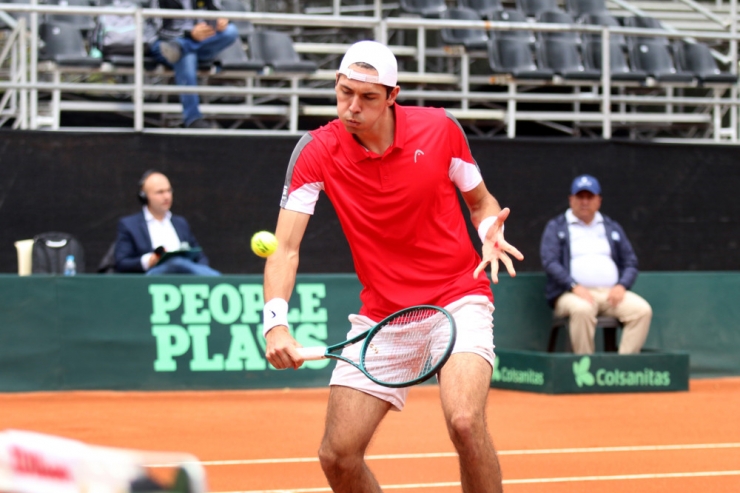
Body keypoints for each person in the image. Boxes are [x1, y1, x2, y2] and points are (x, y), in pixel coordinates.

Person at [261, 40, 523, 493]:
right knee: (337, 455)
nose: (352, 107)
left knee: (464, 421)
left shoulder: (440, 129)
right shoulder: (316, 152)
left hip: (458, 297)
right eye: (345, 93)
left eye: (367, 97)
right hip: (384, 316)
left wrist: (487, 232)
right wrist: (275, 325)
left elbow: (481, 203)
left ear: (392, 96)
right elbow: (285, 248)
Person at [540, 174, 652, 354]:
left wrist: (622, 286)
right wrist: (573, 286)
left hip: (610, 295)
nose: (585, 202)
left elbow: (631, 262)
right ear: (571, 199)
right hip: (571, 294)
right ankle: (589, 371)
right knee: (582, 310)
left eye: (589, 197)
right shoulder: (556, 227)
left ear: (598, 200)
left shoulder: (611, 226)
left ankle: (621, 371)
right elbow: (550, 262)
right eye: (580, 197)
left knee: (642, 310)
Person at [145, 0, 238, 129]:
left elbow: (217, 12)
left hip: (200, 43)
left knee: (231, 31)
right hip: (165, 44)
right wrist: (190, 34)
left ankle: (182, 46)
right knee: (186, 56)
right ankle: (193, 119)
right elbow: (157, 31)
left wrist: (221, 22)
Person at [114, 170, 220, 275]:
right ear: (144, 196)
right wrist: (149, 260)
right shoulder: (130, 225)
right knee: (175, 262)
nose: (166, 196)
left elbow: (200, 257)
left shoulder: (180, 223)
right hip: (151, 281)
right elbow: (122, 262)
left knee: (181, 263)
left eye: (169, 191)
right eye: (160, 192)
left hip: (185, 279)